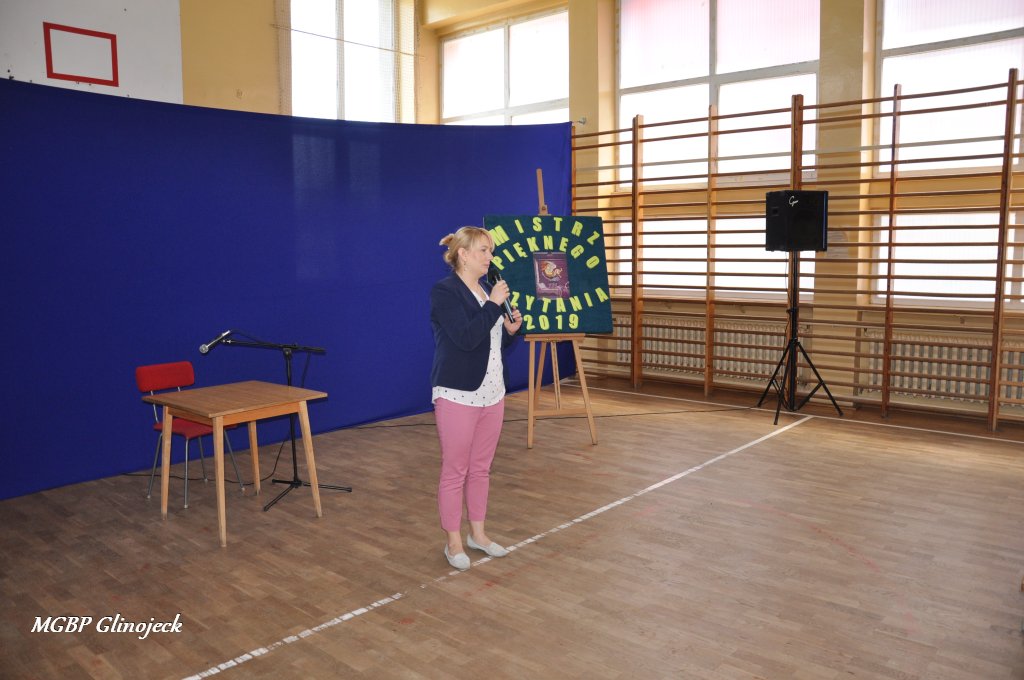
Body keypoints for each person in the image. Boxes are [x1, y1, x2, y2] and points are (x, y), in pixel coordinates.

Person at [430, 226, 523, 570]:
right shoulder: (445, 292)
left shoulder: (485, 291)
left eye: (490, 250)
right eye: (484, 250)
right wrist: (495, 305)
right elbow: (466, 338)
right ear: (464, 254)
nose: (490, 257)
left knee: (481, 469)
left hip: (492, 392)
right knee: (455, 470)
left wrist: (510, 331)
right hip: (458, 393)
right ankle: (453, 542)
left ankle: (478, 535)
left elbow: (490, 343)